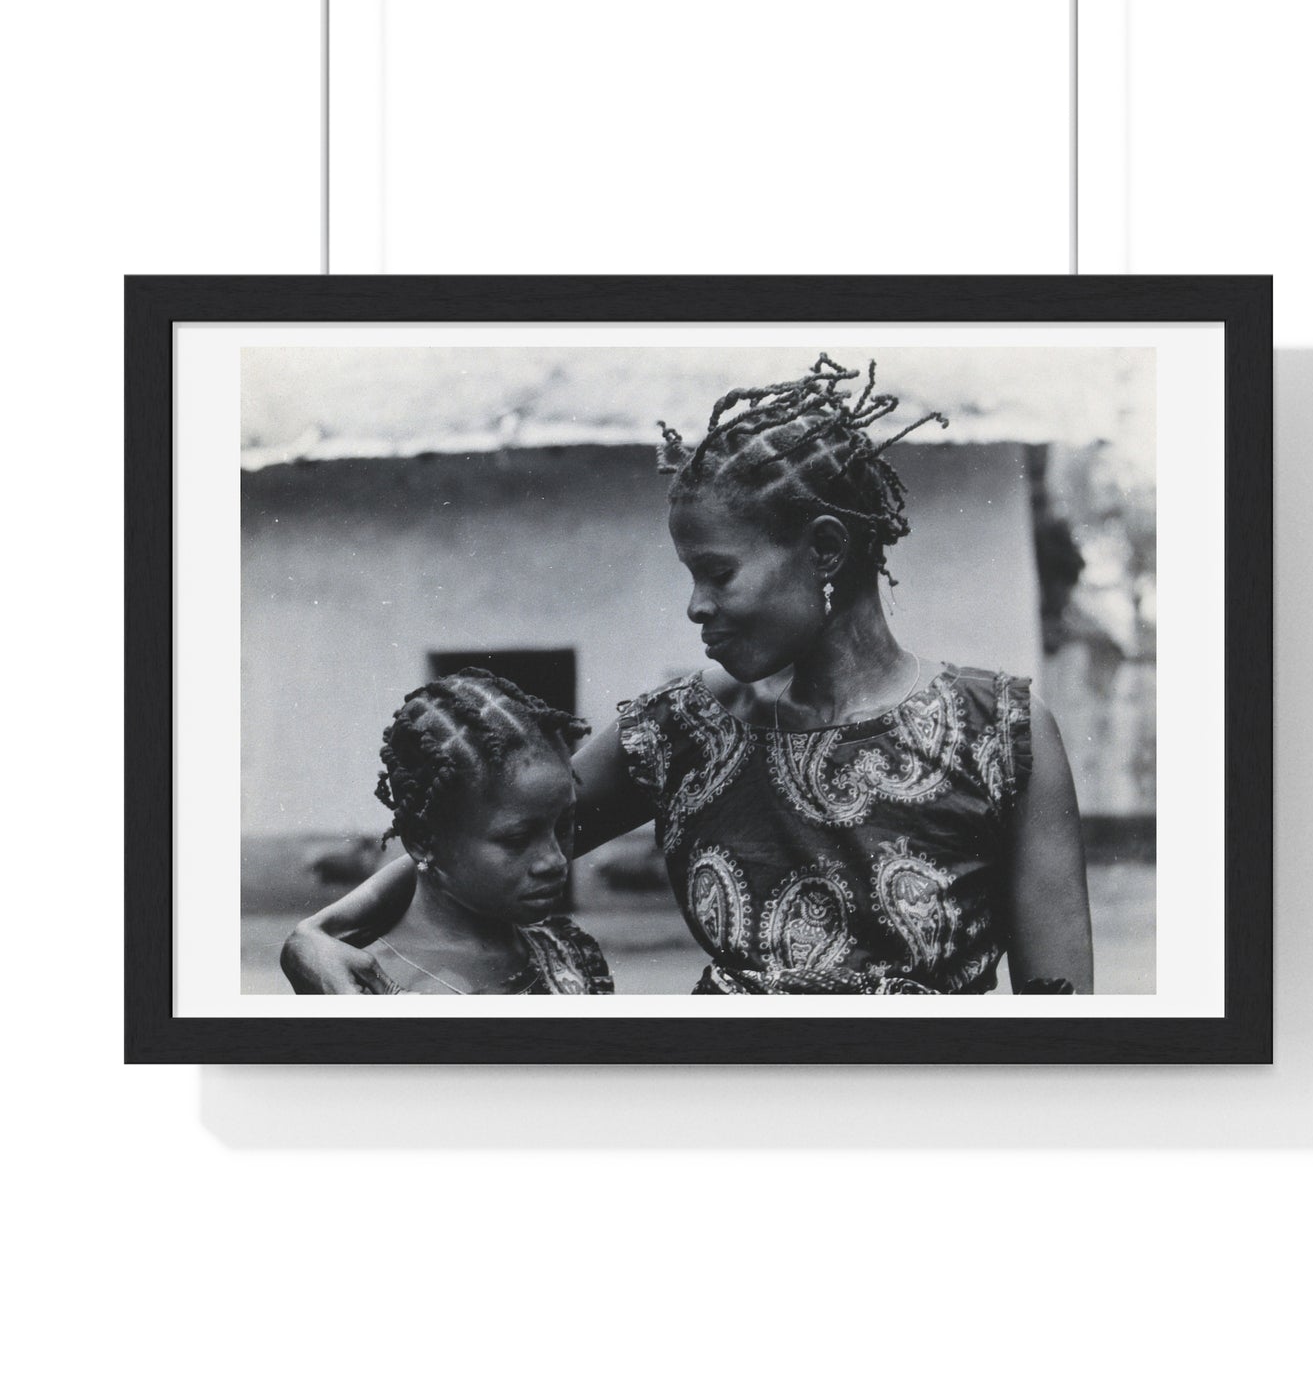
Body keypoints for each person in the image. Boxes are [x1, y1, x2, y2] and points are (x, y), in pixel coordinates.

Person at [283, 356, 1093, 995]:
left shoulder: (1000, 735)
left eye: (717, 572)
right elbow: (482, 829)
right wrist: (316, 935)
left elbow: (1057, 1014)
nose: (695, 606)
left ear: (824, 549)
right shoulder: (681, 731)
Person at [281, 669, 612, 994]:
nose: (555, 860)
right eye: (517, 840)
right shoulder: (357, 984)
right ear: (421, 841)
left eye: (564, 825)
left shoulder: (570, 954)